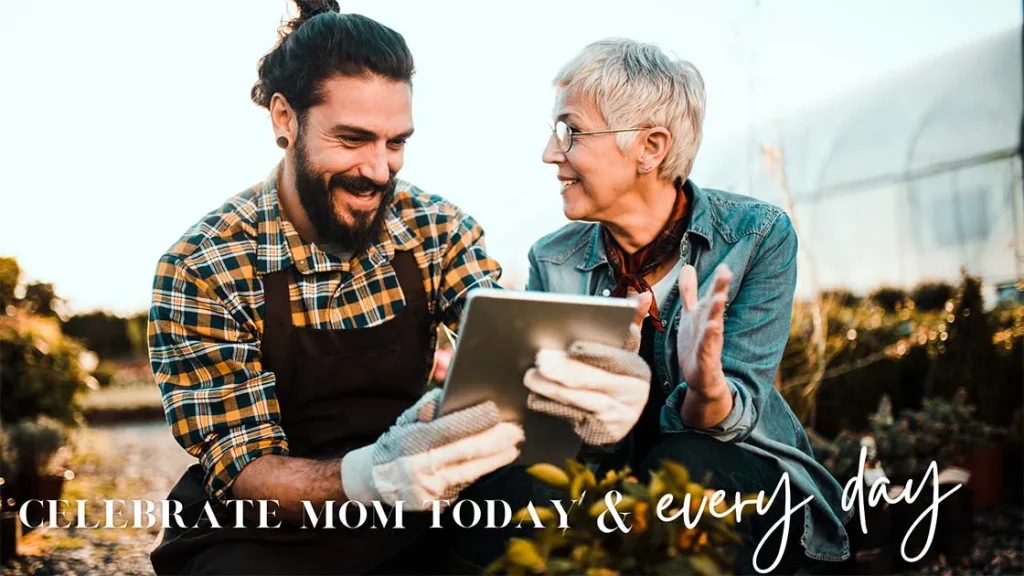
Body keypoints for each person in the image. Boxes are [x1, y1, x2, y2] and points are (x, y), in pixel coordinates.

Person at [146, 3, 649, 573]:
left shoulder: (437, 230)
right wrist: (372, 475)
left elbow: (514, 372)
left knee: (544, 514)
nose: (379, 170)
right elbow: (245, 470)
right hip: (267, 532)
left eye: (395, 142)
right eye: (353, 139)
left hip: (418, 510)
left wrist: (584, 407)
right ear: (285, 118)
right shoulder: (204, 265)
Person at [525, 38, 852, 574]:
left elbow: (732, 416)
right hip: (610, 481)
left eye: (571, 131)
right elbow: (558, 440)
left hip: (736, 476)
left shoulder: (755, 236)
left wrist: (707, 389)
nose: (550, 153)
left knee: (685, 468)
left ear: (650, 148)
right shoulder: (551, 260)